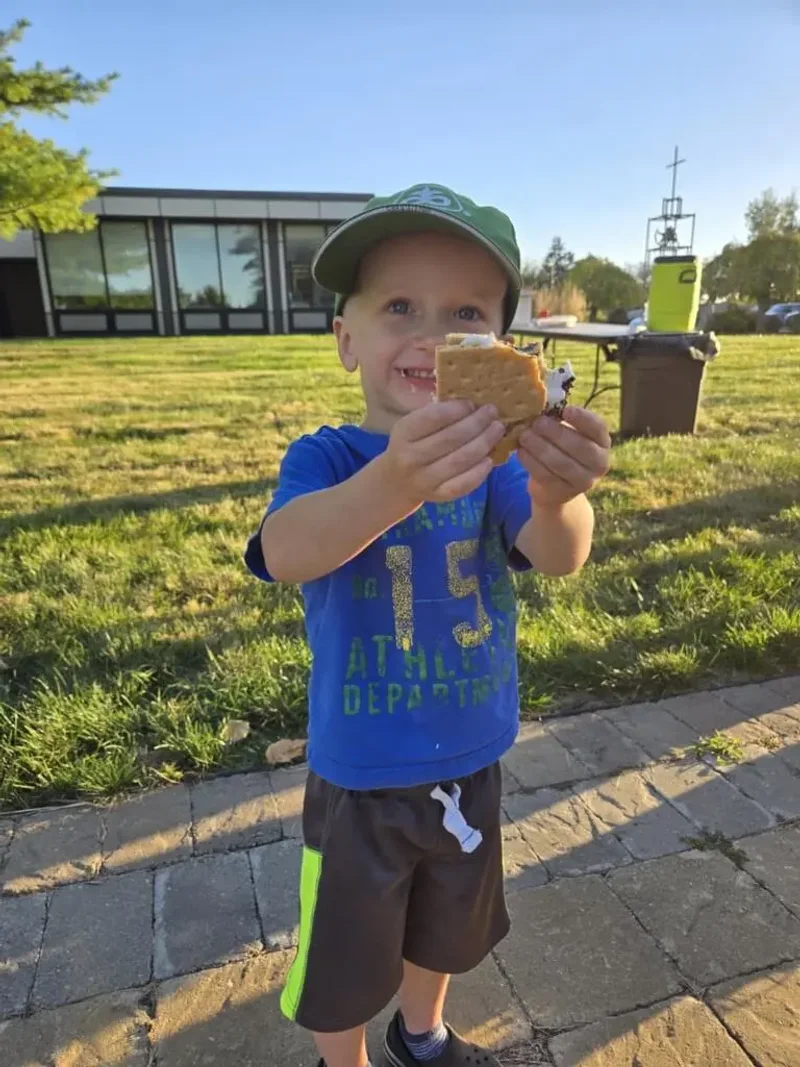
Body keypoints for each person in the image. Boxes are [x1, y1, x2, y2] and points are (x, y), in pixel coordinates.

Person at [244, 183, 611, 1067]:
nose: (430, 332)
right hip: (362, 774)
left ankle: (424, 1034)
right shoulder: (328, 457)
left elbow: (558, 551)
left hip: (471, 753)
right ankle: (349, 1060)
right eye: (400, 305)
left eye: (466, 312)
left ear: (503, 353)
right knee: (343, 956)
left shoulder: (500, 466)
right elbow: (286, 548)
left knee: (446, 924)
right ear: (346, 340)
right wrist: (396, 481)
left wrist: (563, 490)